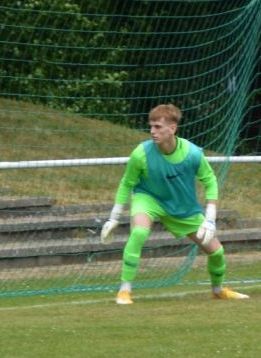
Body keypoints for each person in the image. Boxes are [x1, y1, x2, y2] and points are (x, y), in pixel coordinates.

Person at [100, 103, 249, 305]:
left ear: (172, 128)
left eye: (158, 127)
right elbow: (127, 183)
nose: (152, 131)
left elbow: (210, 180)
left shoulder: (192, 153)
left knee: (216, 251)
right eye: (151, 126)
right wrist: (114, 217)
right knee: (139, 233)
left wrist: (210, 218)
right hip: (149, 198)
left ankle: (218, 290)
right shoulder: (140, 153)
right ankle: (124, 291)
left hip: (183, 207)